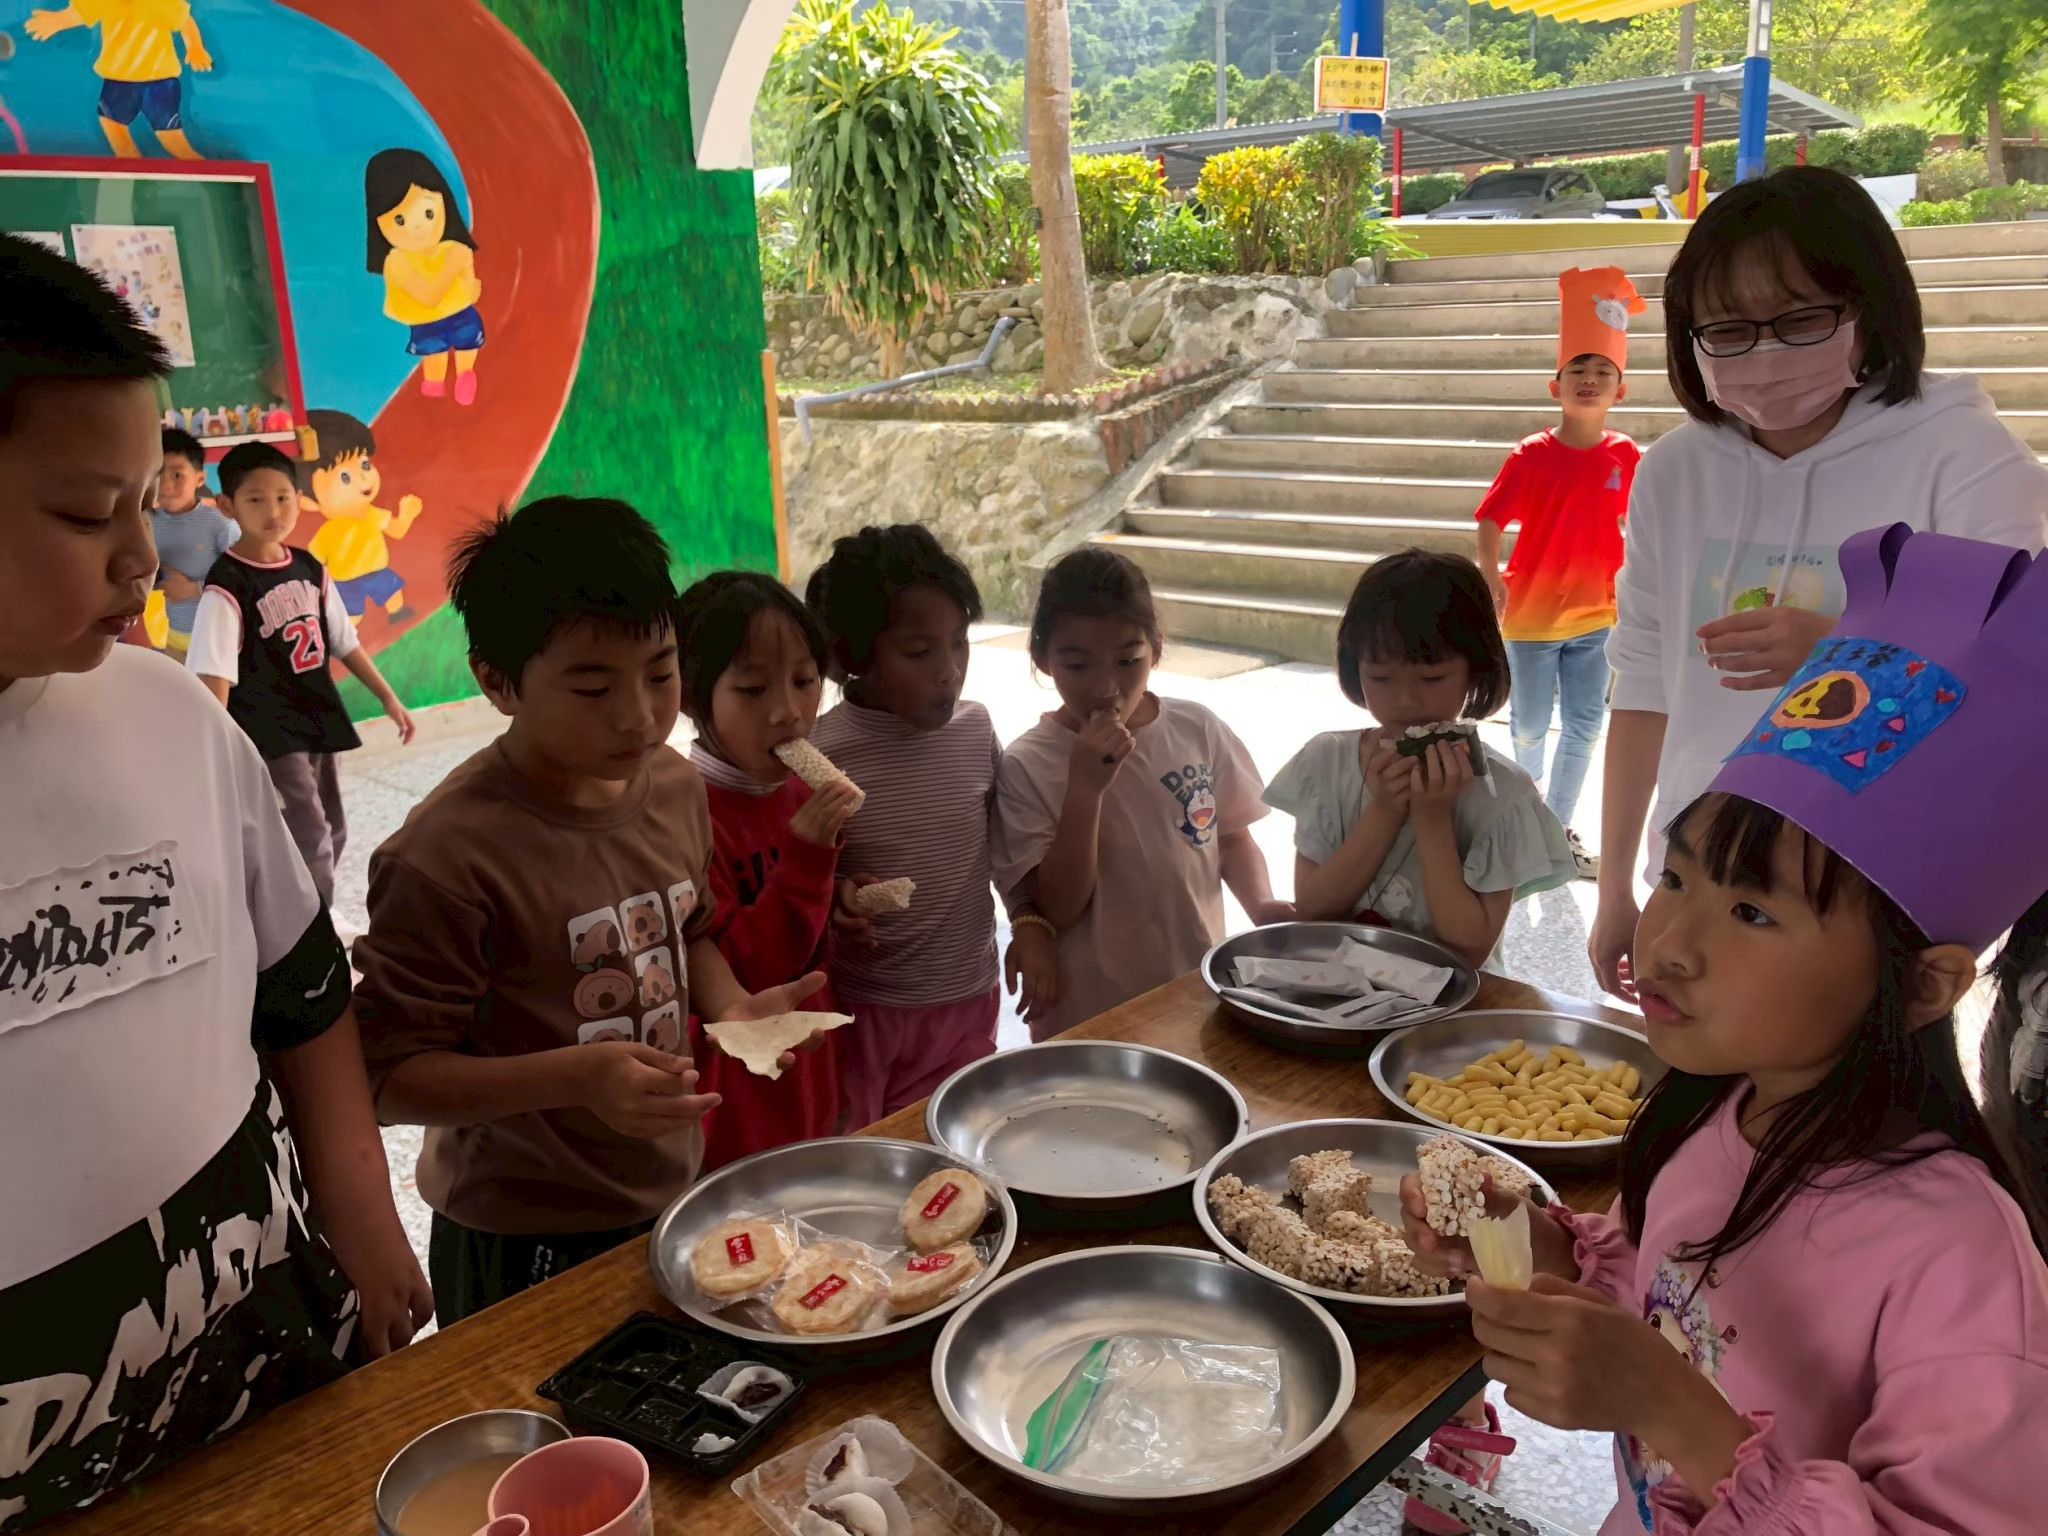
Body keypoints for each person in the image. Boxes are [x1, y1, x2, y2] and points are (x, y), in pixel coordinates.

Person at [1407, 524, 2048, 1536]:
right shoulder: (1714, 1116)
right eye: (1675, 878)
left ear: (1923, 985)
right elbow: (1667, 1296)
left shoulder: (1960, 1261)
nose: (1667, 944)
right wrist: (1531, 1246)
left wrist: (1674, 1412)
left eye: (1750, 911)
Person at [0, 232, 427, 1528]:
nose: (142, 558)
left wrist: (361, 1209)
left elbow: (303, 993)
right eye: (89, 514)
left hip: (266, 1341)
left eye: (146, 502)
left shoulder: (168, 718)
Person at [350, 499, 825, 1325]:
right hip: (520, 1228)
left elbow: (687, 927)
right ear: (497, 682)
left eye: (660, 673)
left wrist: (732, 1010)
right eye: (593, 686)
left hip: (672, 1186)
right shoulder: (444, 857)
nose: (638, 715)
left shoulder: (674, 787)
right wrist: (575, 1078)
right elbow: (386, 1080)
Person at [1590, 166, 2048, 998]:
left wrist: (1841, 653)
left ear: (1870, 312)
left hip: (1859, 905)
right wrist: (1617, 882)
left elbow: (2013, 693)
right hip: (1694, 876)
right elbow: (1644, 683)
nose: (1764, 355)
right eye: (1728, 330)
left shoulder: (1963, 458)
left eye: (1800, 320)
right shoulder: (1675, 472)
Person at [805, 525, 1054, 1123]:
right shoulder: (821, 753)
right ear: (853, 657)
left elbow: (1001, 845)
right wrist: (835, 901)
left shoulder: (975, 729)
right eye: (919, 652)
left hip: (967, 996)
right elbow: (806, 876)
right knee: (867, 1147)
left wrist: (1028, 918)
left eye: (960, 643)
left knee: (954, 1139)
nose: (949, 670)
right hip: (864, 1010)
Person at [992, 547, 1288, 1041]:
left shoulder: (1197, 727)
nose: (1105, 688)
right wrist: (1085, 789)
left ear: (1157, 650)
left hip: (1192, 991)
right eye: (1077, 664)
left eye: (1128, 660)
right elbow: (1058, 908)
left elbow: (1232, 839)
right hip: (1088, 1014)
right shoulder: (1028, 763)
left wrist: (1261, 904)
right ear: (1042, 659)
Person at [1268, 551, 1577, 970]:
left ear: (1475, 670)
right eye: (1380, 677)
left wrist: (1432, 818)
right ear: (1355, 668)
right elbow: (1312, 910)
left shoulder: (1503, 794)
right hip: (1338, 989)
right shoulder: (1326, 763)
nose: (1406, 700)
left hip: (1455, 1001)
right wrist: (1385, 811)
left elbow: (1469, 950)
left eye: (1432, 678)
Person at [185, 441, 414, 905]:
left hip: (318, 717)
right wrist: (216, 750)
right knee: (307, 833)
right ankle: (311, 923)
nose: (273, 511)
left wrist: (388, 697)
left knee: (333, 826)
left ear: (298, 497)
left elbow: (344, 641)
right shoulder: (227, 584)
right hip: (269, 730)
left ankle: (315, 910)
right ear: (227, 505)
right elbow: (214, 675)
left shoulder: (309, 567)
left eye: (283, 497)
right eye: (255, 499)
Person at [675, 571, 853, 1168]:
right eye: (752, 689)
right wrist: (807, 860)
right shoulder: (686, 816)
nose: (788, 712)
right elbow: (743, 975)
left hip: (813, 1069)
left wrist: (843, 901)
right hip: (741, 1096)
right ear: (689, 697)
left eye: (805, 681)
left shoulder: (799, 793)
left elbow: (811, 942)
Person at [1475, 266, 1644, 876]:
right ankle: (1525, 810)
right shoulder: (1531, 454)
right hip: (1531, 617)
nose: (1590, 380)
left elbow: (1641, 525)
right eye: (1578, 370)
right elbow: (1491, 518)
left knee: (1584, 724)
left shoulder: (1626, 455)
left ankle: (1557, 829)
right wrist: (1490, 574)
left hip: (1600, 614)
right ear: (1556, 386)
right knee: (1527, 725)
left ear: (1620, 390)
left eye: (1603, 371)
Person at [365, 148, 484, 405]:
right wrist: (452, 268)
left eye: (428, 213)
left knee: (468, 339)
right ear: (378, 225)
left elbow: (469, 280)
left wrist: (470, 286)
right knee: (435, 351)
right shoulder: (397, 261)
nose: (418, 227)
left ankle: (465, 374)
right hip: (427, 319)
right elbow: (429, 296)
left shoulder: (453, 248)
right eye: (400, 220)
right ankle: (433, 387)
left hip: (459, 309)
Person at [24, 0, 213, 160]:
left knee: (172, 139)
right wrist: (56, 21)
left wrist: (195, 47)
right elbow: (80, 13)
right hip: (120, 80)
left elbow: (185, 21)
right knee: (114, 126)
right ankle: (133, 166)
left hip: (158, 81)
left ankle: (198, 167)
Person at [296, 408, 424, 622]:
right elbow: (314, 559)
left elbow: (397, 530)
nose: (364, 479)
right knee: (352, 613)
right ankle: (347, 633)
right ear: (307, 502)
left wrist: (407, 515)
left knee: (392, 592)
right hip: (345, 580)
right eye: (345, 477)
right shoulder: (328, 531)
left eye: (365, 464)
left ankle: (396, 612)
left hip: (376, 568)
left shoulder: (369, 513)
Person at [146, 423, 233, 661]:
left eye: (177, 475)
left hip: (219, 639)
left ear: (200, 478)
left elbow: (244, 575)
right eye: (158, 474)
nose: (165, 485)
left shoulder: (219, 523)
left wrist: (194, 589)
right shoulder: (147, 522)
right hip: (174, 638)